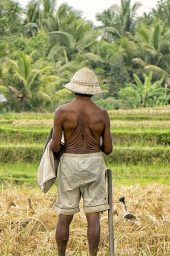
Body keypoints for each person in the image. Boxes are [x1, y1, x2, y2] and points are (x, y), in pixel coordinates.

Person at [50, 67, 113, 256]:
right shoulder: (102, 114)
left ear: (73, 88)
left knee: (65, 214)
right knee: (93, 215)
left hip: (69, 162)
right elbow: (108, 149)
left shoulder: (62, 112)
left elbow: (54, 147)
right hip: (94, 163)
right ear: (93, 90)